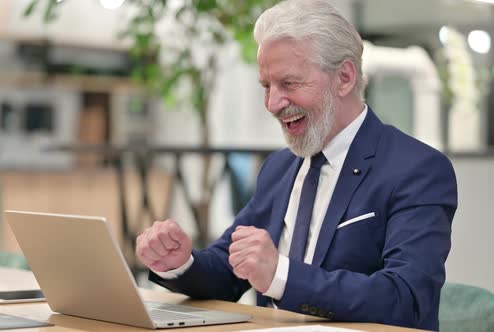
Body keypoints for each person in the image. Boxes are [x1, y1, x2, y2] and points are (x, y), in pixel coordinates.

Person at [135, 0, 457, 330]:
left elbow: (406, 299)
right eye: (266, 86)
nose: (273, 103)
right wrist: (178, 263)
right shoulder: (279, 167)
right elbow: (229, 269)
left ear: (344, 78)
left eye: (289, 83)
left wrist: (279, 275)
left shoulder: (419, 169)